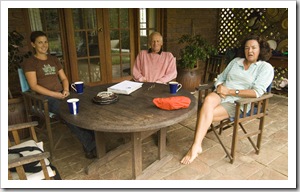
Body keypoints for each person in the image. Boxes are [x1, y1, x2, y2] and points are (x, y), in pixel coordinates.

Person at [180, 34, 274, 165]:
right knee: (208, 100)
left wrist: (230, 91)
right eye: (247, 48)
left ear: (261, 49)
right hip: (222, 94)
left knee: (206, 113)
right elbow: (221, 77)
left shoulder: (265, 68)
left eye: (254, 48)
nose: (250, 51)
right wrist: (219, 86)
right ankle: (197, 146)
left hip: (238, 102)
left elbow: (257, 92)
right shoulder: (236, 62)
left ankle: (196, 146)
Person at [22, 31, 96, 159]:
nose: (44, 45)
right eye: (40, 42)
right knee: (69, 113)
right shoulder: (30, 62)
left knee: (84, 107)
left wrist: (66, 90)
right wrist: (55, 95)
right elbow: (34, 86)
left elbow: (64, 78)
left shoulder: (53, 59)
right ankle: (92, 147)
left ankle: (94, 142)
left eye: (45, 42)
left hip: (61, 94)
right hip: (44, 98)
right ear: (33, 44)